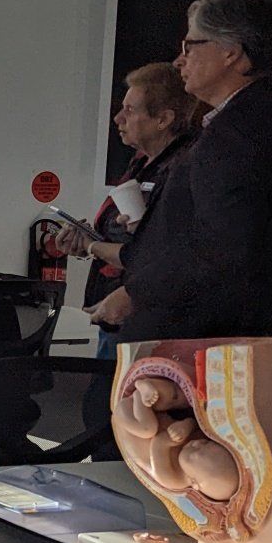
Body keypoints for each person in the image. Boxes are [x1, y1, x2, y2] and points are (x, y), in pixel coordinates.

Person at [94, 0, 272, 342]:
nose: (179, 60)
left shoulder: (239, 134)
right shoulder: (249, 122)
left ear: (231, 53)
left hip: (212, 338)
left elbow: (223, 246)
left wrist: (137, 292)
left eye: (189, 47)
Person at [56, 63, 203, 356]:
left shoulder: (183, 169)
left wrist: (92, 246)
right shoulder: (140, 162)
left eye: (130, 110)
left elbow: (155, 251)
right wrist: (86, 241)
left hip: (150, 323)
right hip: (113, 317)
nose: (118, 118)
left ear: (163, 119)